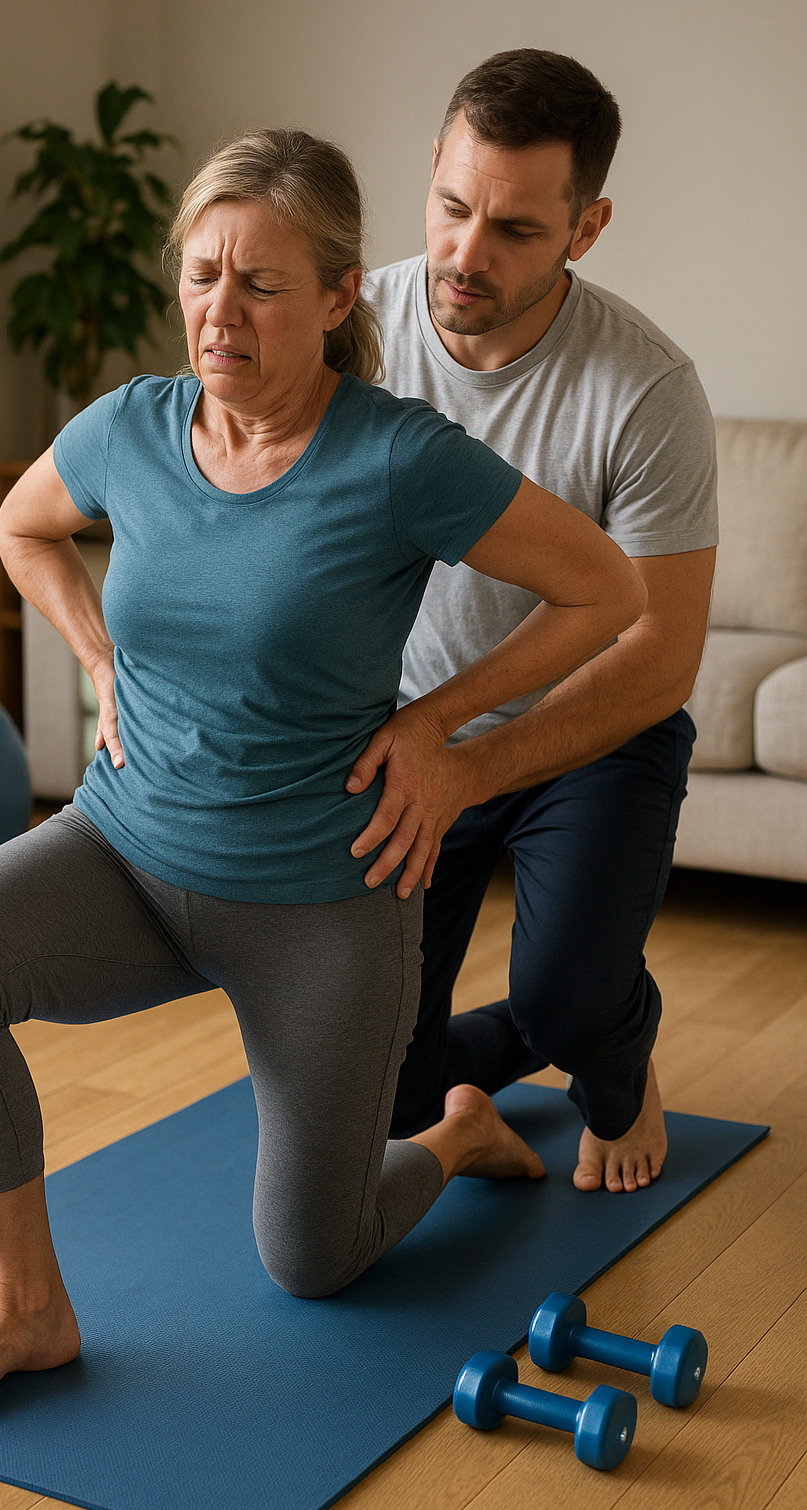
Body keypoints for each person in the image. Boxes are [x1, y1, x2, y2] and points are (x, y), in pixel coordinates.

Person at [0, 127, 643, 1438]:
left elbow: (607, 589)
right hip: (124, 854)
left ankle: (455, 1135)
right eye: (199, 276)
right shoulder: (135, 425)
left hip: (320, 902)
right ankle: (24, 1311)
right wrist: (100, 654)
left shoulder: (398, 457)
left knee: (314, 1260)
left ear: (339, 298)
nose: (217, 312)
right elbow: (23, 527)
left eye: (259, 284)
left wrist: (443, 732)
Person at [353, 49, 718, 1193]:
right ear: (431, 169)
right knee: (390, 1100)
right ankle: (528, 1046)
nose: (464, 254)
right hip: (412, 734)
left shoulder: (645, 388)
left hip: (593, 731)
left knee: (575, 999)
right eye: (453, 207)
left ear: (586, 225)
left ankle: (607, 1043)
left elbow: (658, 654)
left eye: (512, 229)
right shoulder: (349, 330)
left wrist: (479, 764)